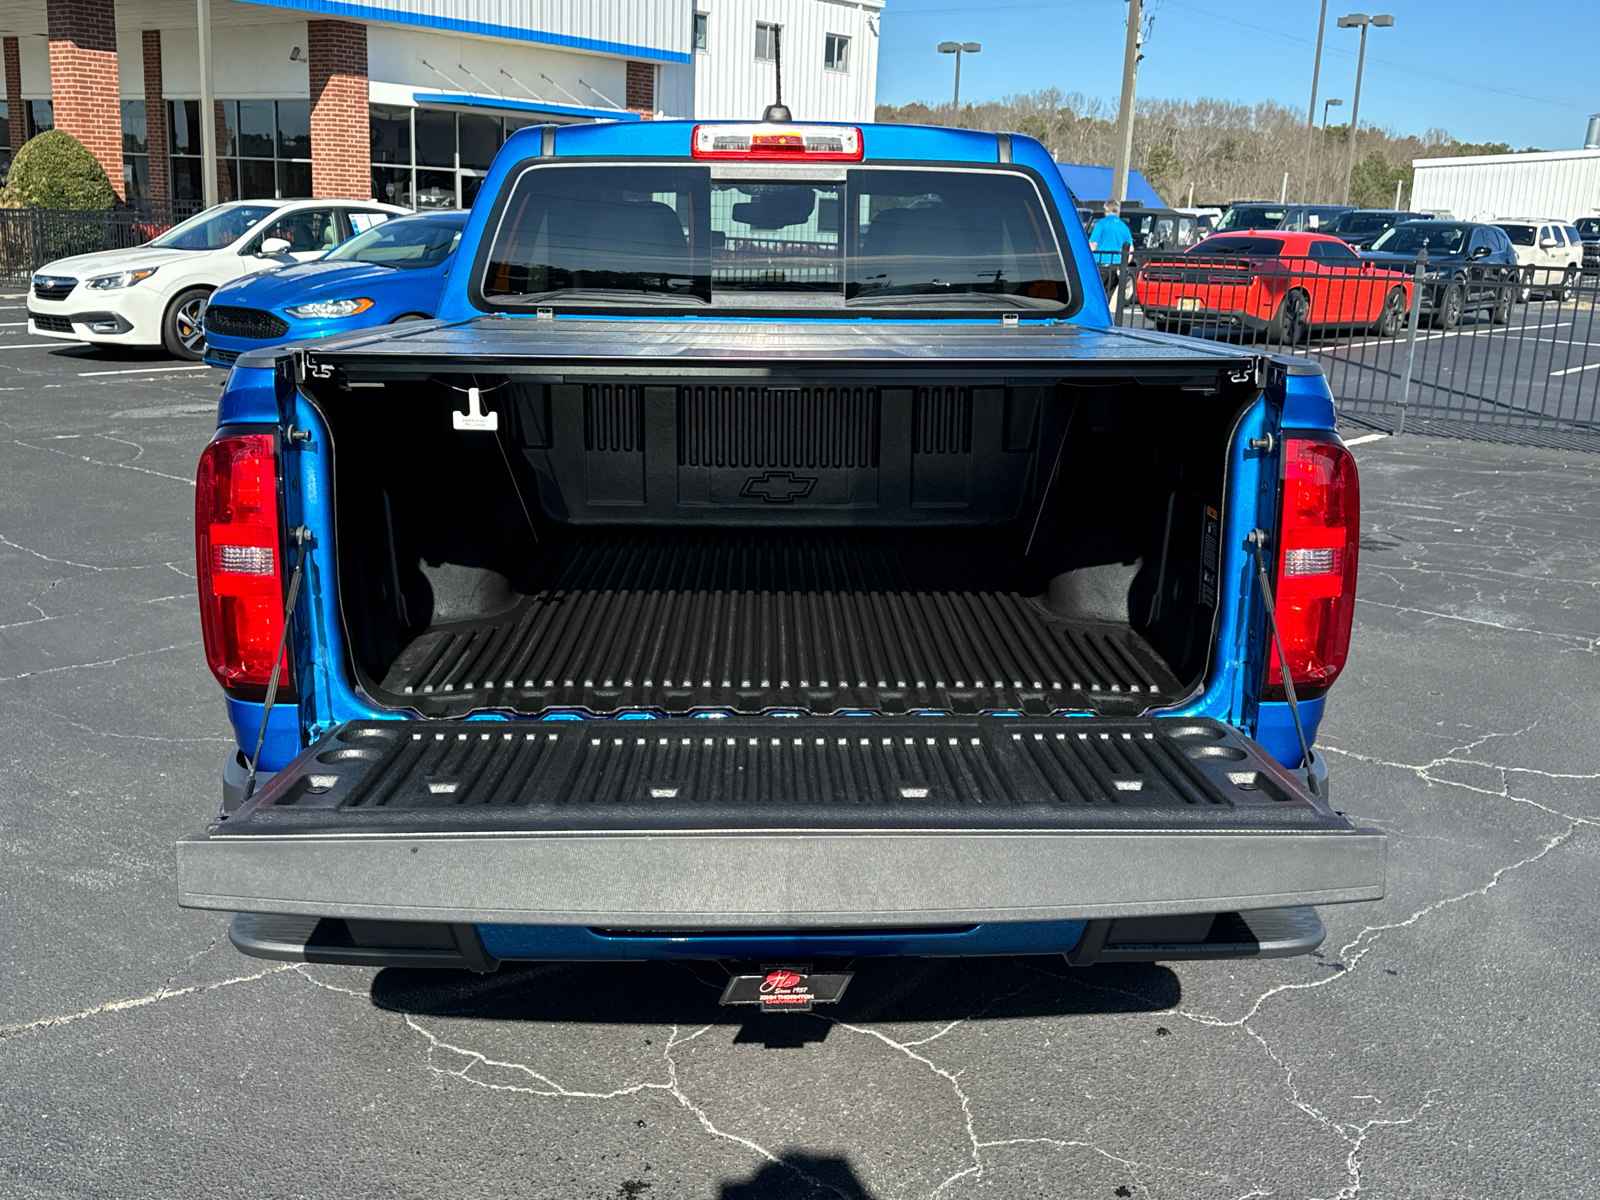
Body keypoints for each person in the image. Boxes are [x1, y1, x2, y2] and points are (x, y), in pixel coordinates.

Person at [1088, 199, 1134, 303]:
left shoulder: (1101, 223)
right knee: (1107, 297)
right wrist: (1123, 265)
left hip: (1100, 264)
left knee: (1094, 295)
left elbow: (1092, 245)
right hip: (1116, 266)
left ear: (1106, 210)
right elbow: (1130, 249)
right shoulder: (1124, 227)